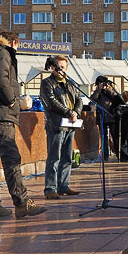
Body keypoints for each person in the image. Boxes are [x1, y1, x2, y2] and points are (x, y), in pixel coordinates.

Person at [0, 31, 46, 219]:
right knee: (11, 156)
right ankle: (21, 203)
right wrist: (11, 100)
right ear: (12, 42)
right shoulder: (1, 51)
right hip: (0, 113)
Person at [40, 55, 83, 199]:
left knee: (67, 157)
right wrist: (69, 112)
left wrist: (76, 112)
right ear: (52, 67)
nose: (60, 70)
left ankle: (64, 186)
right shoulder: (47, 83)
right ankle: (50, 189)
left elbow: (79, 99)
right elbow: (51, 102)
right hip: (56, 125)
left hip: (71, 124)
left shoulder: (69, 83)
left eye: (63, 67)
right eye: (58, 67)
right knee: (54, 157)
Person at [91, 76, 122, 160]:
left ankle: (119, 154)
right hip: (102, 117)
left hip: (111, 115)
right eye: (101, 83)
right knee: (104, 137)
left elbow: (116, 98)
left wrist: (107, 89)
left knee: (114, 136)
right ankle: (105, 155)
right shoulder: (97, 92)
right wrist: (98, 90)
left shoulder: (110, 91)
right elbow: (93, 100)